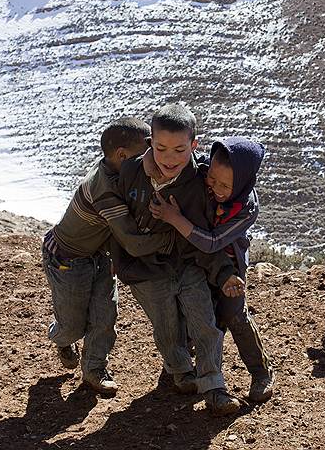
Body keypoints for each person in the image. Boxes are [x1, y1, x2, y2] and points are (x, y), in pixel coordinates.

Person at [113, 104, 243, 416]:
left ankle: (214, 386)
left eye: (180, 149)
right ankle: (181, 370)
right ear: (150, 144)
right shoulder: (130, 173)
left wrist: (223, 271)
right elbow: (114, 219)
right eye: (161, 148)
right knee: (167, 325)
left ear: (194, 146)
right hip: (144, 269)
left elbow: (204, 233)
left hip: (188, 264)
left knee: (204, 322)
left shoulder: (199, 182)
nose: (170, 158)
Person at [41, 117, 174, 396]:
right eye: (146, 151)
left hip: (100, 256)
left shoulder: (119, 171)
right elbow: (134, 243)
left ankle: (94, 369)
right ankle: (61, 338)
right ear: (122, 155)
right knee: (73, 325)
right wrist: (176, 235)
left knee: (105, 316)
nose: (154, 157)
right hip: (68, 259)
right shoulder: (105, 189)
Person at [148, 137, 275, 402]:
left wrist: (175, 218)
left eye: (225, 186)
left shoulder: (246, 208)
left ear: (241, 183)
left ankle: (261, 372)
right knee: (195, 312)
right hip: (194, 258)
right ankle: (180, 367)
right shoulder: (204, 170)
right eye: (213, 180)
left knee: (234, 315)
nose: (216, 188)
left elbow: (213, 242)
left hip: (229, 264)